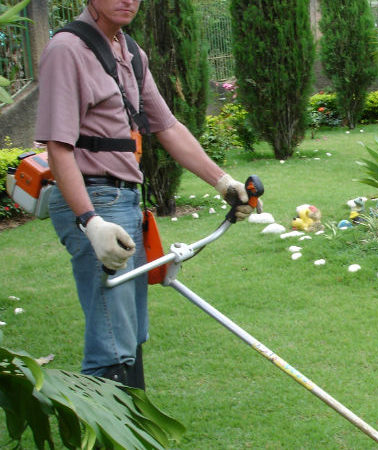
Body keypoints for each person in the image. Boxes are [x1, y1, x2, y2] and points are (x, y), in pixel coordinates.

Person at [35, 0, 257, 389]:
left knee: (130, 331)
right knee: (111, 337)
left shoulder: (130, 51)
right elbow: (59, 147)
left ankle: (132, 428)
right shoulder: (67, 50)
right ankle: (105, 435)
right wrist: (90, 222)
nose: (128, 0)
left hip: (124, 200)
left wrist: (223, 182)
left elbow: (167, 125)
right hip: (94, 202)